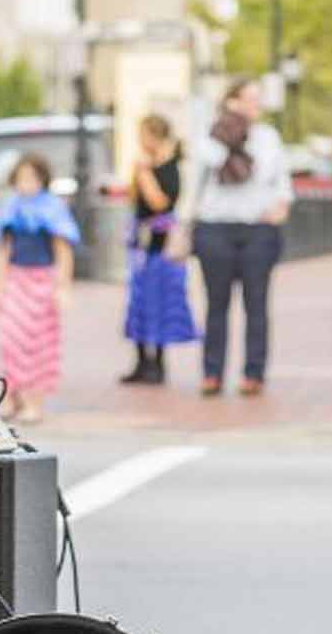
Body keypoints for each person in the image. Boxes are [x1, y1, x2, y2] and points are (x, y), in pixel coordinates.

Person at [188, 76, 293, 397]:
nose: (254, 106)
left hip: (257, 229)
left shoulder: (268, 138)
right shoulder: (210, 137)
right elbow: (203, 172)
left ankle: (254, 373)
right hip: (216, 227)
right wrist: (232, 132)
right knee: (216, 304)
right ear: (231, 101)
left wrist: (281, 207)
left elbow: (281, 181)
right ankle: (212, 372)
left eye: (257, 99)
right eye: (248, 98)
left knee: (256, 304)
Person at [0, 152, 80, 423]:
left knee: (39, 343)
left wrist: (63, 287)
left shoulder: (53, 209)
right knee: (10, 340)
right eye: (21, 178)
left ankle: (34, 402)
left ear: (42, 179)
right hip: (16, 279)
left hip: (42, 280)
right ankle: (12, 397)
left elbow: (63, 251)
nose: (26, 183)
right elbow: (4, 252)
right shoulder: (10, 209)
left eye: (31, 177)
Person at [120, 114, 200, 385]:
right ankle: (141, 360)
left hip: (161, 247)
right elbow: (135, 199)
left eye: (143, 135)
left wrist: (143, 174)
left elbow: (158, 203)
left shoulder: (170, 169)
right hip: (141, 245)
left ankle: (158, 363)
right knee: (139, 303)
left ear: (155, 136)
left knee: (160, 303)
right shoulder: (144, 166)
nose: (140, 141)